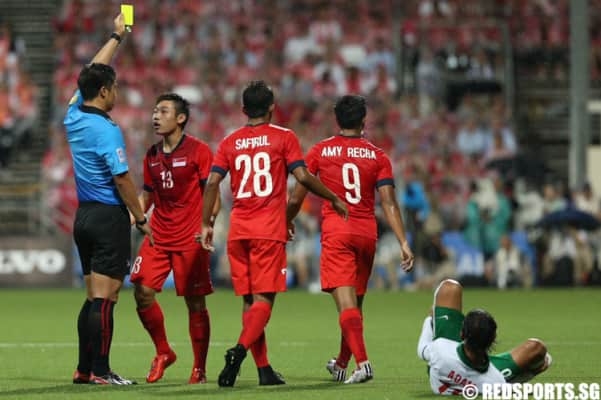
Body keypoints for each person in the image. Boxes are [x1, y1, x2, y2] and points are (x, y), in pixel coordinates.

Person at [198, 80, 348, 387]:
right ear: (271, 107)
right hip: (267, 229)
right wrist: (332, 197)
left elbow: (212, 183)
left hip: (239, 231)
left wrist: (205, 224)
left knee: (249, 301)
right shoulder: (284, 137)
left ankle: (264, 369)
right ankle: (239, 351)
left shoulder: (229, 141)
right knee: (264, 301)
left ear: (243, 109)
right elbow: (302, 176)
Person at [286, 95, 415, 384]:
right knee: (355, 306)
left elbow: (296, 197)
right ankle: (342, 364)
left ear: (337, 119)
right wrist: (403, 241)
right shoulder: (378, 156)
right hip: (367, 234)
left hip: (338, 233)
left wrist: (286, 221)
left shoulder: (320, 150)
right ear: (363, 120)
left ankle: (363, 363)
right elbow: (389, 203)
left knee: (346, 306)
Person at [64, 13, 152, 385]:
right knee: (107, 297)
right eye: (113, 88)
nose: (116, 93)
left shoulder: (73, 115)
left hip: (83, 216)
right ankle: (101, 370)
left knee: (92, 296)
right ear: (104, 92)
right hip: (107, 217)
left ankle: (84, 369)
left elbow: (90, 73)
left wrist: (117, 37)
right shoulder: (106, 130)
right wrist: (140, 217)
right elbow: (122, 178)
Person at [129, 93, 219, 384]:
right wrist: (132, 217)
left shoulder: (199, 151)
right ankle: (164, 351)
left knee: (195, 303)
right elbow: (147, 196)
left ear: (181, 118)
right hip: (158, 234)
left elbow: (213, 195)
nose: (156, 116)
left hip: (190, 236)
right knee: (142, 290)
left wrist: (209, 224)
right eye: (155, 111)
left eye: (163, 111)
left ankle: (199, 369)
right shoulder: (151, 155)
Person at [417, 279, 552, 395]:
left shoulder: (440, 349)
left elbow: (422, 349)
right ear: (493, 339)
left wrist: (430, 319)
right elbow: (511, 389)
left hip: (444, 363)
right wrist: (530, 373)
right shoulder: (495, 380)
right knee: (537, 349)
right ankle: (514, 374)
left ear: (461, 334)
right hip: (485, 376)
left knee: (450, 286)